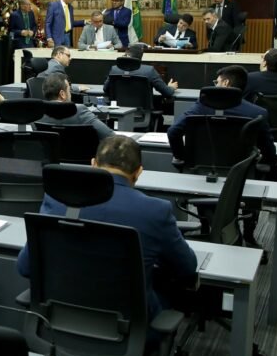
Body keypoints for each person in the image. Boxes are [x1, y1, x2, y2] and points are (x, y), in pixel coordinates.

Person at [16, 135, 197, 320]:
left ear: (93, 164)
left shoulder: (57, 199)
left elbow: (25, 267)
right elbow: (187, 268)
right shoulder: (156, 211)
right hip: (128, 327)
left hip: (58, 320)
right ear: (138, 172)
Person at [167, 65, 276, 166]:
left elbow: (173, 132)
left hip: (201, 168)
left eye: (217, 82)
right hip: (241, 173)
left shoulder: (201, 107)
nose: (216, 85)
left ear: (225, 83)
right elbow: (268, 149)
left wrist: (181, 157)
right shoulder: (258, 113)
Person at [37, 73, 113, 140]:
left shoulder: (38, 114)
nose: (70, 94)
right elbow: (109, 135)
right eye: (69, 90)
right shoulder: (79, 110)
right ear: (62, 94)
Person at [103, 44, 178, 98]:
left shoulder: (115, 69)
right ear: (140, 58)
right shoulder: (149, 71)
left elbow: (105, 89)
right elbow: (167, 93)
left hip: (118, 111)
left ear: (126, 54)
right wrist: (171, 87)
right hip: (142, 113)